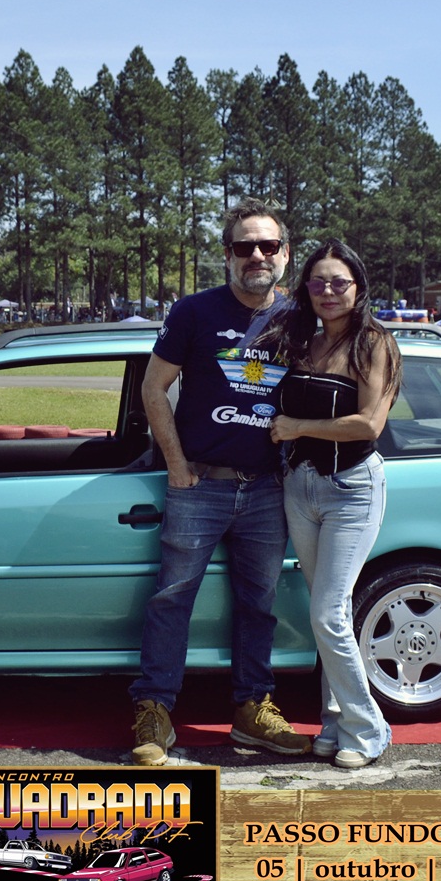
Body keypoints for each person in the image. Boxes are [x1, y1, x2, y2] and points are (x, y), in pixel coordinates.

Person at [129, 198, 311, 766]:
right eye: (244, 246)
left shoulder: (300, 318)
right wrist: (176, 464)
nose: (257, 255)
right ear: (227, 254)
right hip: (199, 486)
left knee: (259, 603)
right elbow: (154, 388)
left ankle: (253, 709)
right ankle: (155, 710)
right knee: (171, 598)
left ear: (285, 253)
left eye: (268, 245)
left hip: (268, 488)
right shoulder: (194, 312)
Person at [265, 239, 401, 769]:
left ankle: (368, 729)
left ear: (358, 287)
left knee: (326, 613)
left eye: (338, 282)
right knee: (331, 615)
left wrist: (296, 427)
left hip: (351, 489)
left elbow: (369, 424)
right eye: (317, 282)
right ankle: (333, 723)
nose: (327, 291)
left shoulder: (375, 343)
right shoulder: (305, 341)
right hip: (300, 487)